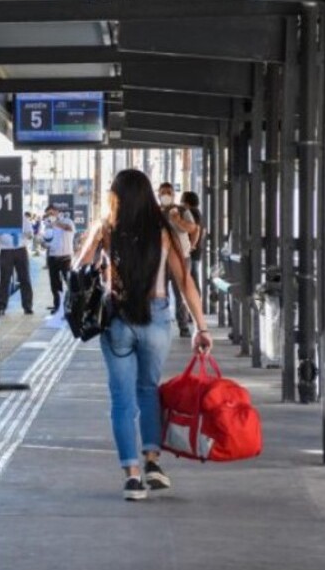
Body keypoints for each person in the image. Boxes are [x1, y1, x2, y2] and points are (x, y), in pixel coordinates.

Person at [75, 169, 212, 501]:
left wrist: (93, 240)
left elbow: (78, 271)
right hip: (157, 317)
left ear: (116, 197)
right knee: (148, 390)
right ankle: (152, 460)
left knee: (122, 400)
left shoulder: (107, 229)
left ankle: (132, 476)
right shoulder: (164, 231)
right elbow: (185, 283)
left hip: (118, 320)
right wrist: (201, 328)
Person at [158, 182, 198, 337]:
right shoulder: (153, 212)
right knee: (160, 294)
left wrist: (177, 221)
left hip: (182, 258)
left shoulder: (182, 211)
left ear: (174, 194)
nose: (166, 195)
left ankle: (183, 326)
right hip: (160, 260)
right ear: (159, 194)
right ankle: (162, 325)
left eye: (169, 192)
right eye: (163, 192)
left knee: (181, 292)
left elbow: (193, 229)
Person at [0, 211, 34, 315]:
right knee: (5, 279)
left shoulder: (22, 218)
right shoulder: (0, 218)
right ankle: (1, 306)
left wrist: (26, 234)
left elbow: (30, 234)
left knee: (25, 279)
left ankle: (27, 306)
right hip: (6, 250)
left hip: (21, 249)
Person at [41, 204, 75, 313]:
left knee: (69, 282)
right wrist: (43, 243)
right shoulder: (47, 225)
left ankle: (72, 306)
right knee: (55, 284)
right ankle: (58, 306)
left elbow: (69, 229)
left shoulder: (67, 221)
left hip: (65, 257)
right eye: (48, 214)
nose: (49, 216)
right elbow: (46, 239)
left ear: (57, 211)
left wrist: (55, 223)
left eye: (51, 213)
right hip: (52, 257)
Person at [181, 191, 203, 295]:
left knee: (192, 279)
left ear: (187, 201)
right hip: (197, 250)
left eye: (182, 199)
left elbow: (197, 230)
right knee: (194, 277)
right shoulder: (198, 212)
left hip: (192, 252)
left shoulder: (191, 212)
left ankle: (196, 304)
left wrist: (192, 245)